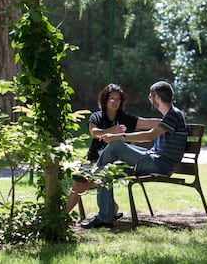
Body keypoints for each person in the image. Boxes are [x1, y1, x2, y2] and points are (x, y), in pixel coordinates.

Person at [81, 81, 187, 229]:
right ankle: (105, 217)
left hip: (160, 164)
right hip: (154, 159)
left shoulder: (173, 115)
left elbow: (150, 136)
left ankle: (93, 174)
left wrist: (119, 136)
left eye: (150, 96)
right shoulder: (171, 115)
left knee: (116, 145)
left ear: (156, 97)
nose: (149, 99)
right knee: (105, 173)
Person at [66, 83, 159, 217]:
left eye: (118, 99)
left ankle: (109, 210)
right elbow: (95, 133)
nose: (115, 102)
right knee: (78, 184)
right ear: (105, 100)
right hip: (93, 159)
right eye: (112, 98)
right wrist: (112, 131)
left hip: (115, 164)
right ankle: (63, 217)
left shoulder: (125, 118)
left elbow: (148, 123)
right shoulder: (97, 116)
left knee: (87, 182)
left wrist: (171, 120)